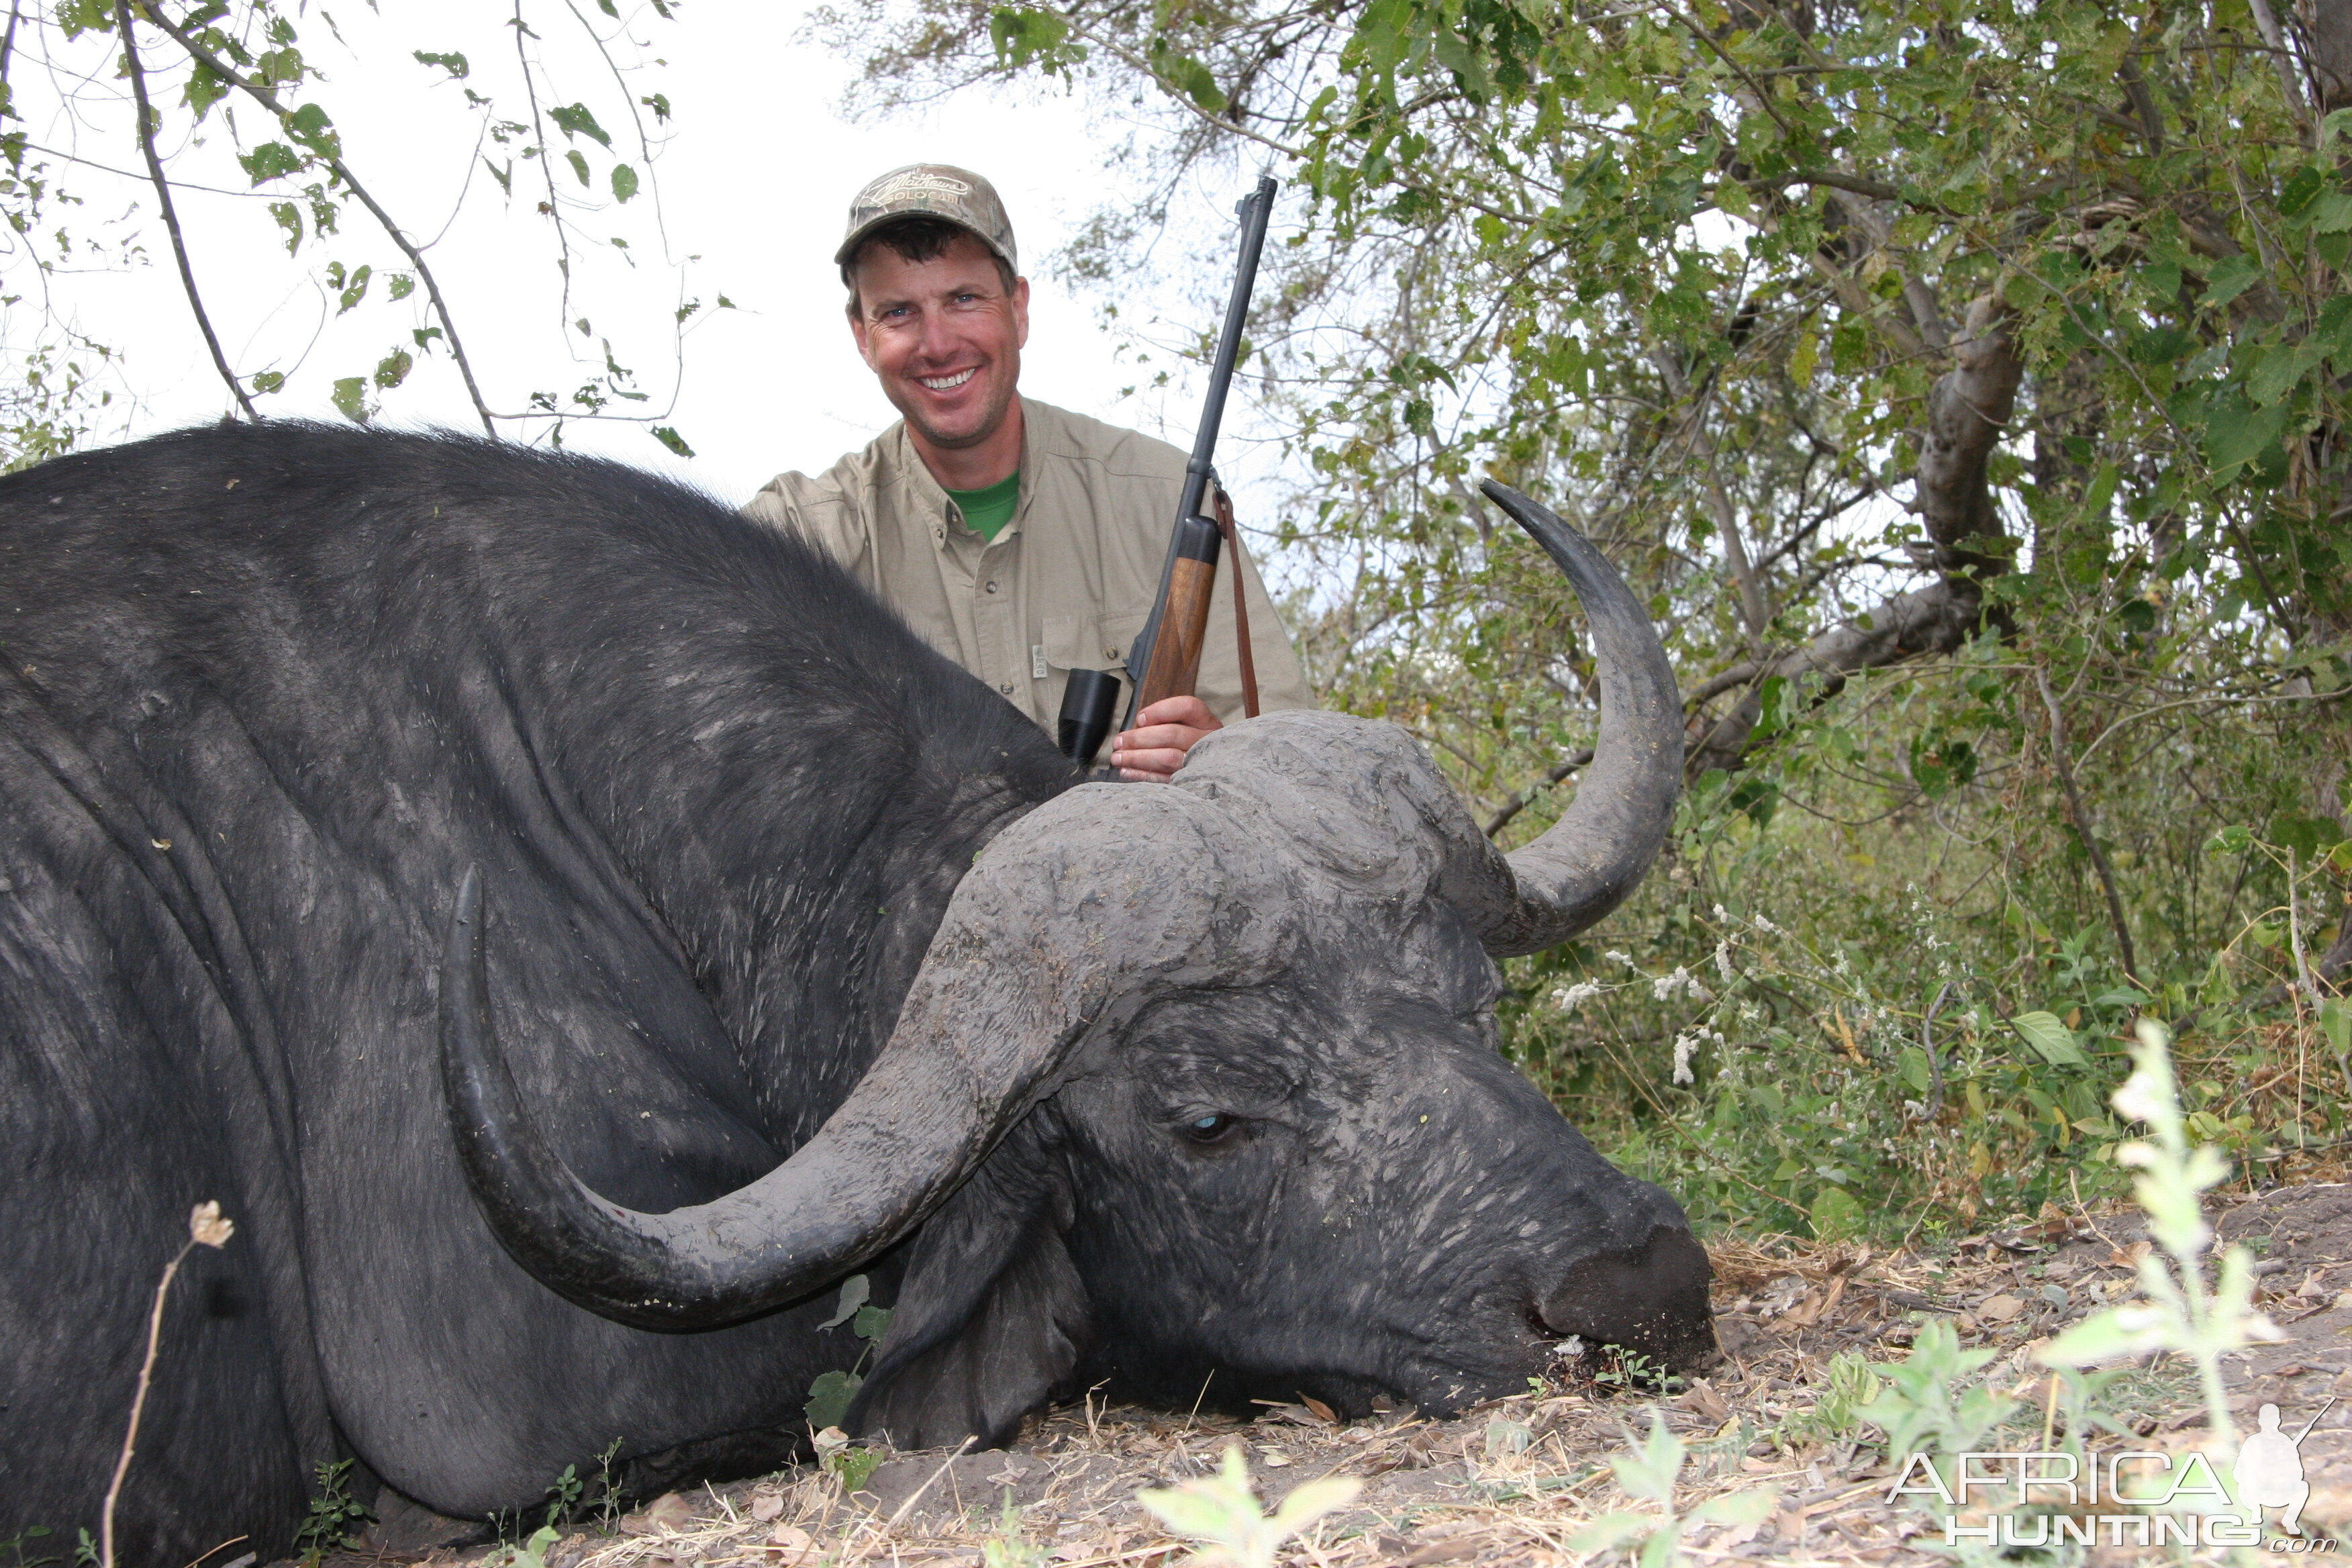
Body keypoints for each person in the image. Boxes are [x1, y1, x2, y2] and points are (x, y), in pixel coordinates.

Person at [742, 164, 1312, 781]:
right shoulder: (792, 540)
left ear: (1018, 309)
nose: (936, 344)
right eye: (899, 312)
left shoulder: (1165, 499)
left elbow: (1296, 763)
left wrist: (1220, 756)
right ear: (862, 335)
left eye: (964, 299)